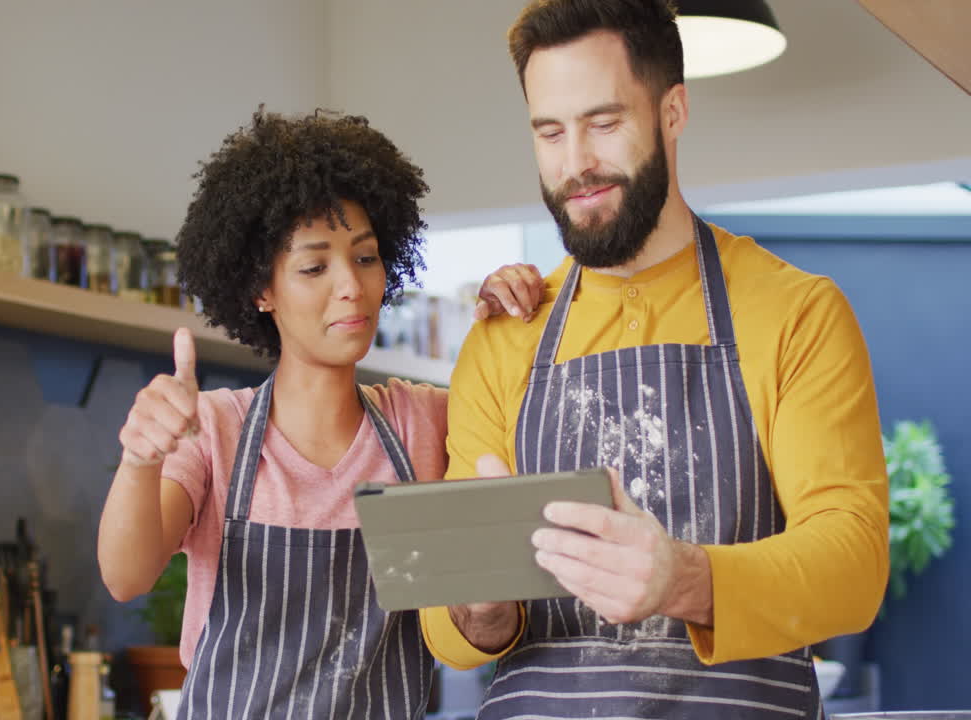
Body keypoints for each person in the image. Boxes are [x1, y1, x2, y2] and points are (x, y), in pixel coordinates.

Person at [421, 1, 890, 718]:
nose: (575, 164)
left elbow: (852, 567)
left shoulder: (796, 312)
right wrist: (478, 608)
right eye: (550, 132)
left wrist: (685, 579)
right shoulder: (505, 332)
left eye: (604, 124)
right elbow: (450, 636)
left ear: (673, 111)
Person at [97, 108, 544, 718]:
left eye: (364, 257)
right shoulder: (215, 429)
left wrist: (515, 317)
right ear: (261, 290)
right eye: (314, 266)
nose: (351, 287)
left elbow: (530, 410)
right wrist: (140, 457)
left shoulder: (423, 424)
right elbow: (127, 576)